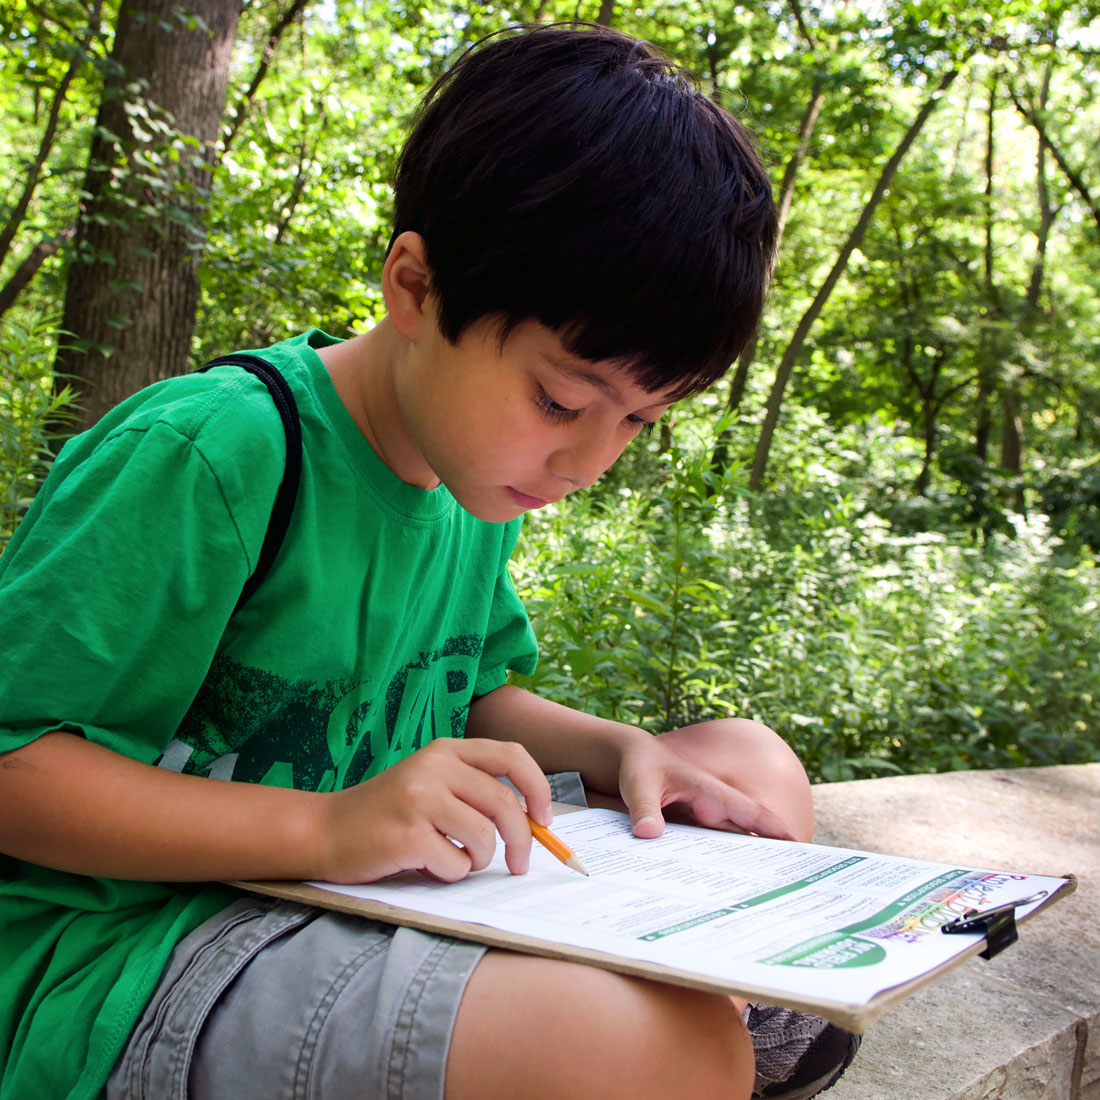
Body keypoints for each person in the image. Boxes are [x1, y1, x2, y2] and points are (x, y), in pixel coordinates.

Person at [0, 23, 859, 1100]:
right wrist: (326, 824)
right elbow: (13, 765)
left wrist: (614, 746)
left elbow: (472, 693)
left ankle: (703, 1026)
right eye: (559, 399)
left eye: (636, 421)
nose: (586, 459)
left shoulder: (471, 475)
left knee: (744, 766)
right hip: (127, 952)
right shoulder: (216, 454)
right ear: (413, 286)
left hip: (364, 887)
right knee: (647, 1051)